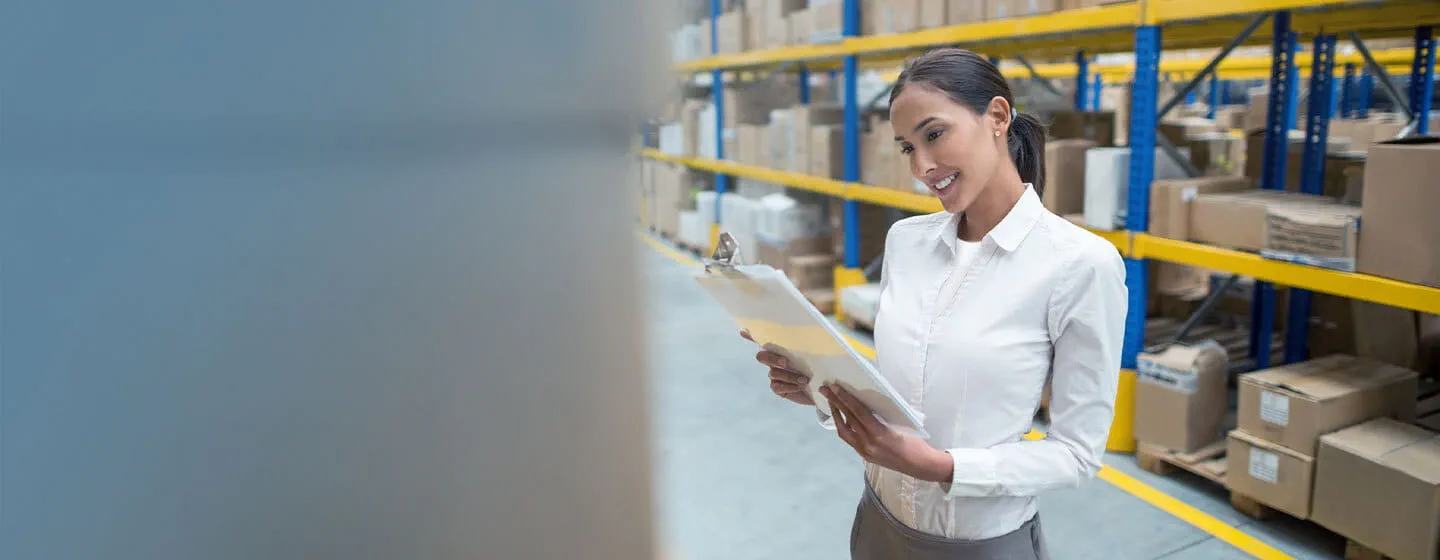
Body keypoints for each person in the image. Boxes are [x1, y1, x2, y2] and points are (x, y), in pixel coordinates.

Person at [743, 48, 1128, 559]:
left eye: (934, 134)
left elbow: (1077, 455)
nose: (922, 167)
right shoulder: (906, 241)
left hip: (980, 546)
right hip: (877, 524)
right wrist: (818, 386)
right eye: (907, 148)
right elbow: (904, 393)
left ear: (996, 116)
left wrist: (940, 467)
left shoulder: (1080, 264)